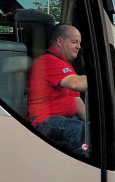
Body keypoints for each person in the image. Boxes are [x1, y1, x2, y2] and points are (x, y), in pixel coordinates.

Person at [27, 23, 90, 155]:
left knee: (92, 131)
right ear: (59, 42)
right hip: (44, 120)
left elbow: (76, 100)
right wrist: (113, 81)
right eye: (74, 42)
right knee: (79, 130)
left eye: (79, 42)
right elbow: (75, 83)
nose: (79, 46)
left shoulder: (66, 65)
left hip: (63, 119)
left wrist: (92, 123)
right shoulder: (47, 61)